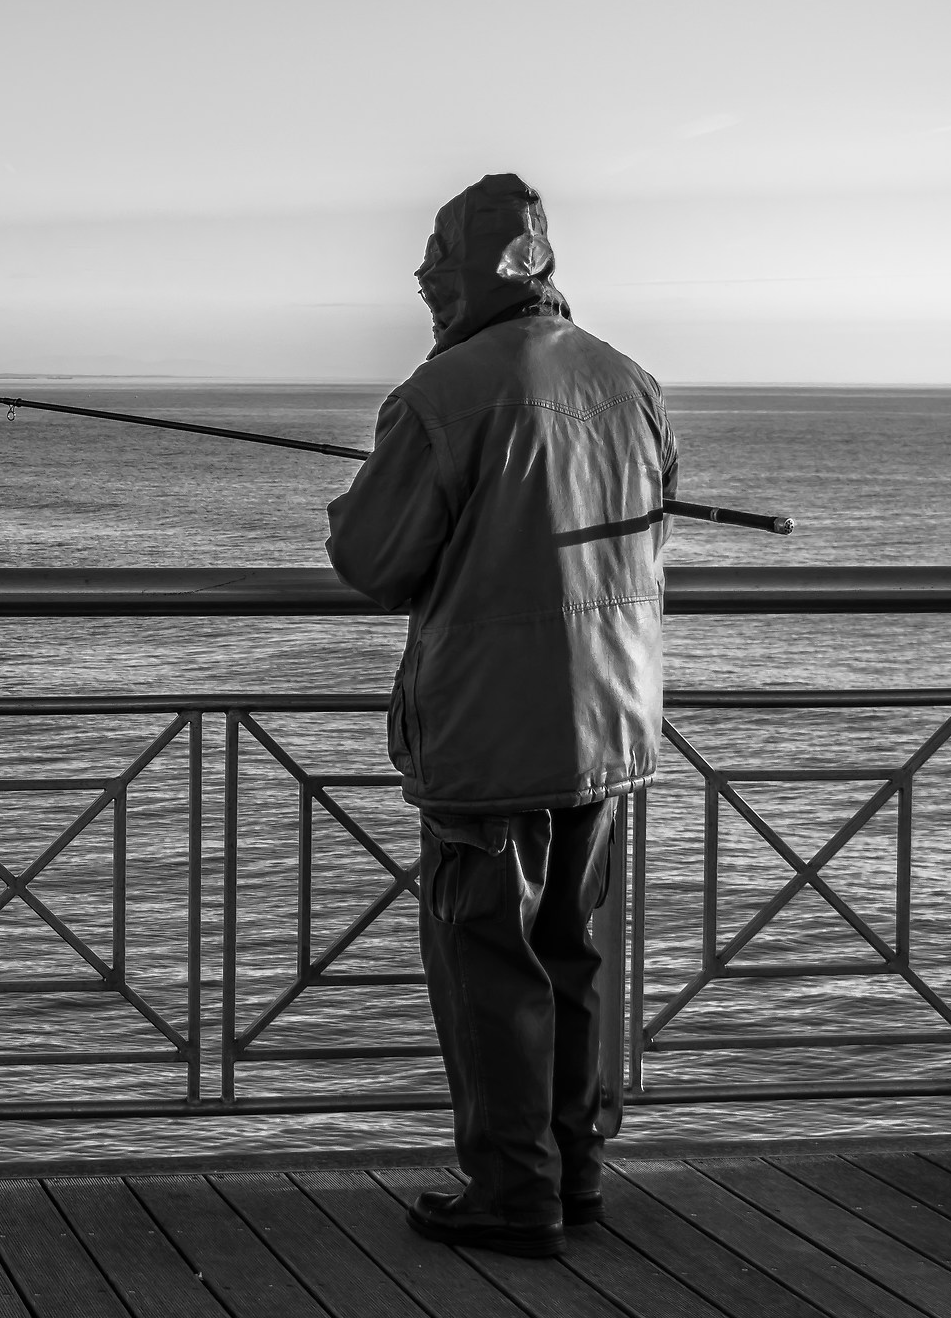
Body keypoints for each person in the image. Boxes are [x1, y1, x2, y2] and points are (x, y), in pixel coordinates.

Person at [324, 173, 676, 1258]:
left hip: (492, 728)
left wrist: (357, 498)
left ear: (477, 269)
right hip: (611, 722)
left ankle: (511, 1189)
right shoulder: (632, 382)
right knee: (571, 954)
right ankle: (574, 1171)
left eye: (437, 260)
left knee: (489, 963)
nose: (425, 279)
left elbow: (374, 559)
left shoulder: (441, 392)